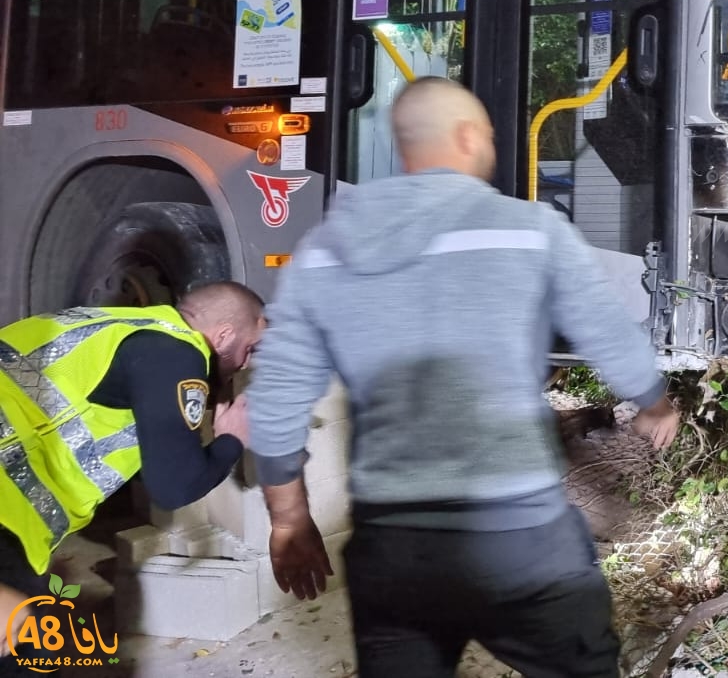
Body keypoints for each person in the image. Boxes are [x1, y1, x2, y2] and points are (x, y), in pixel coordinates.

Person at [246, 78, 681, 676]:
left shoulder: (325, 251)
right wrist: (654, 403)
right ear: (468, 137)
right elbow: (609, 335)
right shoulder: (531, 232)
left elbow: (274, 402)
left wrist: (290, 517)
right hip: (521, 541)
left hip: (394, 547)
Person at [0, 283, 261, 628]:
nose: (245, 362)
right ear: (224, 335)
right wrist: (231, 439)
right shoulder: (179, 352)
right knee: (27, 649)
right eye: (249, 348)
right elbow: (174, 487)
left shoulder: (122, 329)